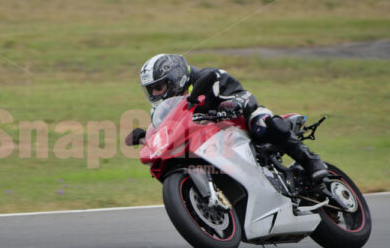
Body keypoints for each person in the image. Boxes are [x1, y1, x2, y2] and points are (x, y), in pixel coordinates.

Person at [125, 53, 328, 182]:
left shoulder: (209, 77)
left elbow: (243, 95)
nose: (156, 94)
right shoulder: (163, 110)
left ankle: (311, 161)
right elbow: (169, 133)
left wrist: (234, 103)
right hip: (210, 143)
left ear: (175, 78)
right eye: (151, 90)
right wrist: (147, 137)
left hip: (239, 121)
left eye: (158, 87)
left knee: (261, 123)